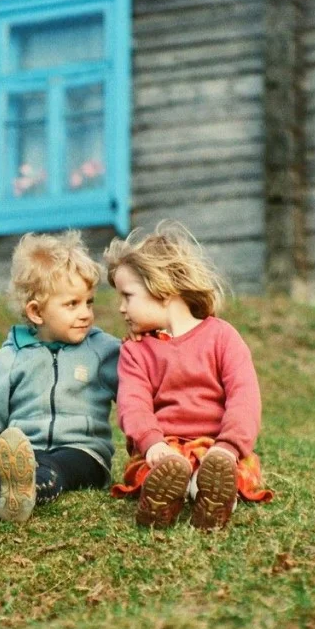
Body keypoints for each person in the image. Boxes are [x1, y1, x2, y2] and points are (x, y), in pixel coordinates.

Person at [0, 230, 120, 524]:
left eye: (89, 301)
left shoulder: (103, 350)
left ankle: (18, 491)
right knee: (0, 471)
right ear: (36, 312)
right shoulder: (13, 356)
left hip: (83, 454)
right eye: (72, 304)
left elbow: (137, 393)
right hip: (21, 453)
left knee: (50, 468)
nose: (86, 313)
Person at [104, 221, 273, 530]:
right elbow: (133, 404)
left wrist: (229, 446)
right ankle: (164, 501)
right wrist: (152, 444)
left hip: (218, 449)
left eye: (127, 296)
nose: (121, 308)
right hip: (163, 449)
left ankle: (213, 498)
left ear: (162, 288)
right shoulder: (135, 351)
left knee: (218, 472)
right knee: (163, 471)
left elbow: (244, 397)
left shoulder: (223, 337)